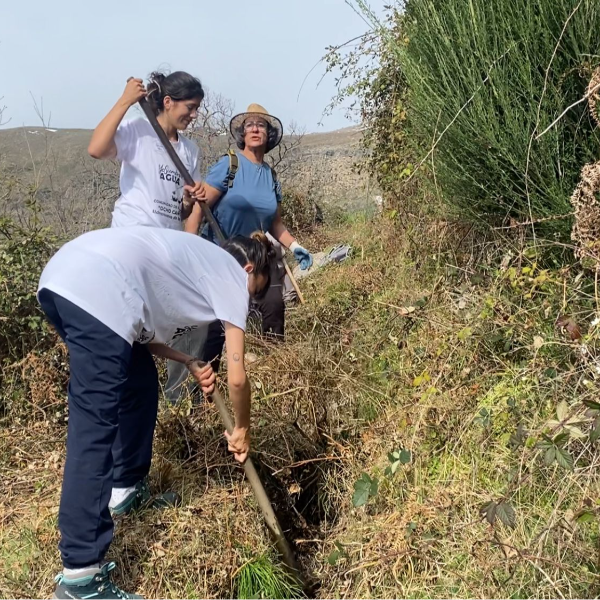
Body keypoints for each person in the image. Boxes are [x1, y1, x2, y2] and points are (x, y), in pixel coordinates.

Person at [39, 226, 274, 600]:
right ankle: (81, 578)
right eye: (258, 289)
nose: (250, 300)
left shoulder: (197, 261)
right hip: (96, 289)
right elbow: (237, 378)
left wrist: (188, 361)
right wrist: (242, 429)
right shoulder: (232, 275)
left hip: (64, 279)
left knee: (139, 380)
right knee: (94, 427)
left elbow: (139, 335)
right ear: (250, 271)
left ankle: (127, 488)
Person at [165, 104, 312, 401]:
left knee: (274, 309)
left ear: (269, 135)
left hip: (258, 260)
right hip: (221, 258)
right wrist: (188, 247)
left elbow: (275, 222)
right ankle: (200, 395)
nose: (255, 129)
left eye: (261, 125)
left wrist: (296, 247)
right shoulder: (229, 166)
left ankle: (276, 377)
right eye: (250, 125)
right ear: (242, 134)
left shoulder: (270, 176)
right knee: (214, 330)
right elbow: (198, 206)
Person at [88, 71, 205, 229]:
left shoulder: (190, 150)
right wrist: (125, 101)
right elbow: (96, 149)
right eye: (190, 107)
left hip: (166, 239)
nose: (194, 115)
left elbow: (181, 213)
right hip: (132, 234)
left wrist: (188, 202)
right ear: (168, 102)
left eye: (196, 109)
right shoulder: (138, 130)